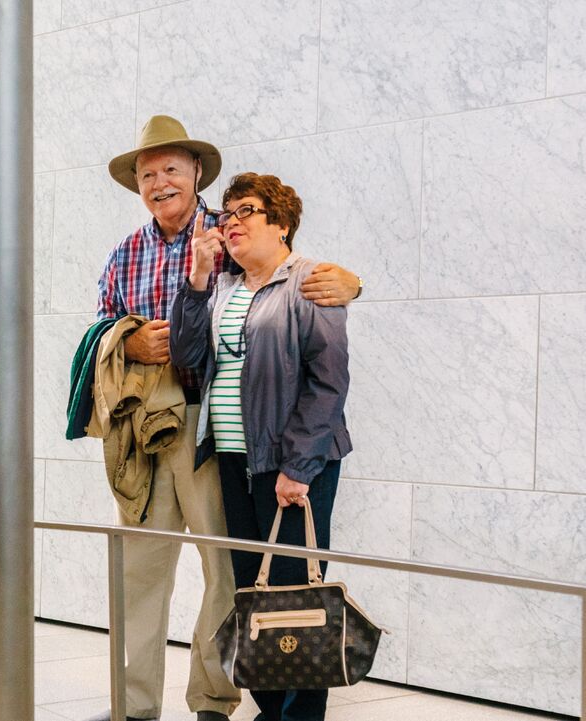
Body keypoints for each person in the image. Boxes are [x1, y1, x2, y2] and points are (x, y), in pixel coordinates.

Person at [84, 116, 359, 721]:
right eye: (147, 174)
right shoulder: (126, 251)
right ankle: (132, 707)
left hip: (213, 425)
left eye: (171, 170)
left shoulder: (230, 230)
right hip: (150, 427)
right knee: (142, 566)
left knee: (231, 571)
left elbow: (291, 290)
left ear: (196, 174)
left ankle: (214, 700)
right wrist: (127, 344)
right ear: (136, 185)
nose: (160, 183)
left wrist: (353, 283)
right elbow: (99, 327)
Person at [170, 172, 352, 721]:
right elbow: (186, 352)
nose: (233, 222)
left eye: (246, 210)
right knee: (255, 589)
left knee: (296, 595)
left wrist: (298, 465)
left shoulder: (311, 282)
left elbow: (328, 382)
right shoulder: (223, 285)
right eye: (226, 214)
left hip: (294, 464)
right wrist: (197, 281)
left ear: (283, 222)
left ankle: (300, 715)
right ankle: (269, 707)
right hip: (232, 458)